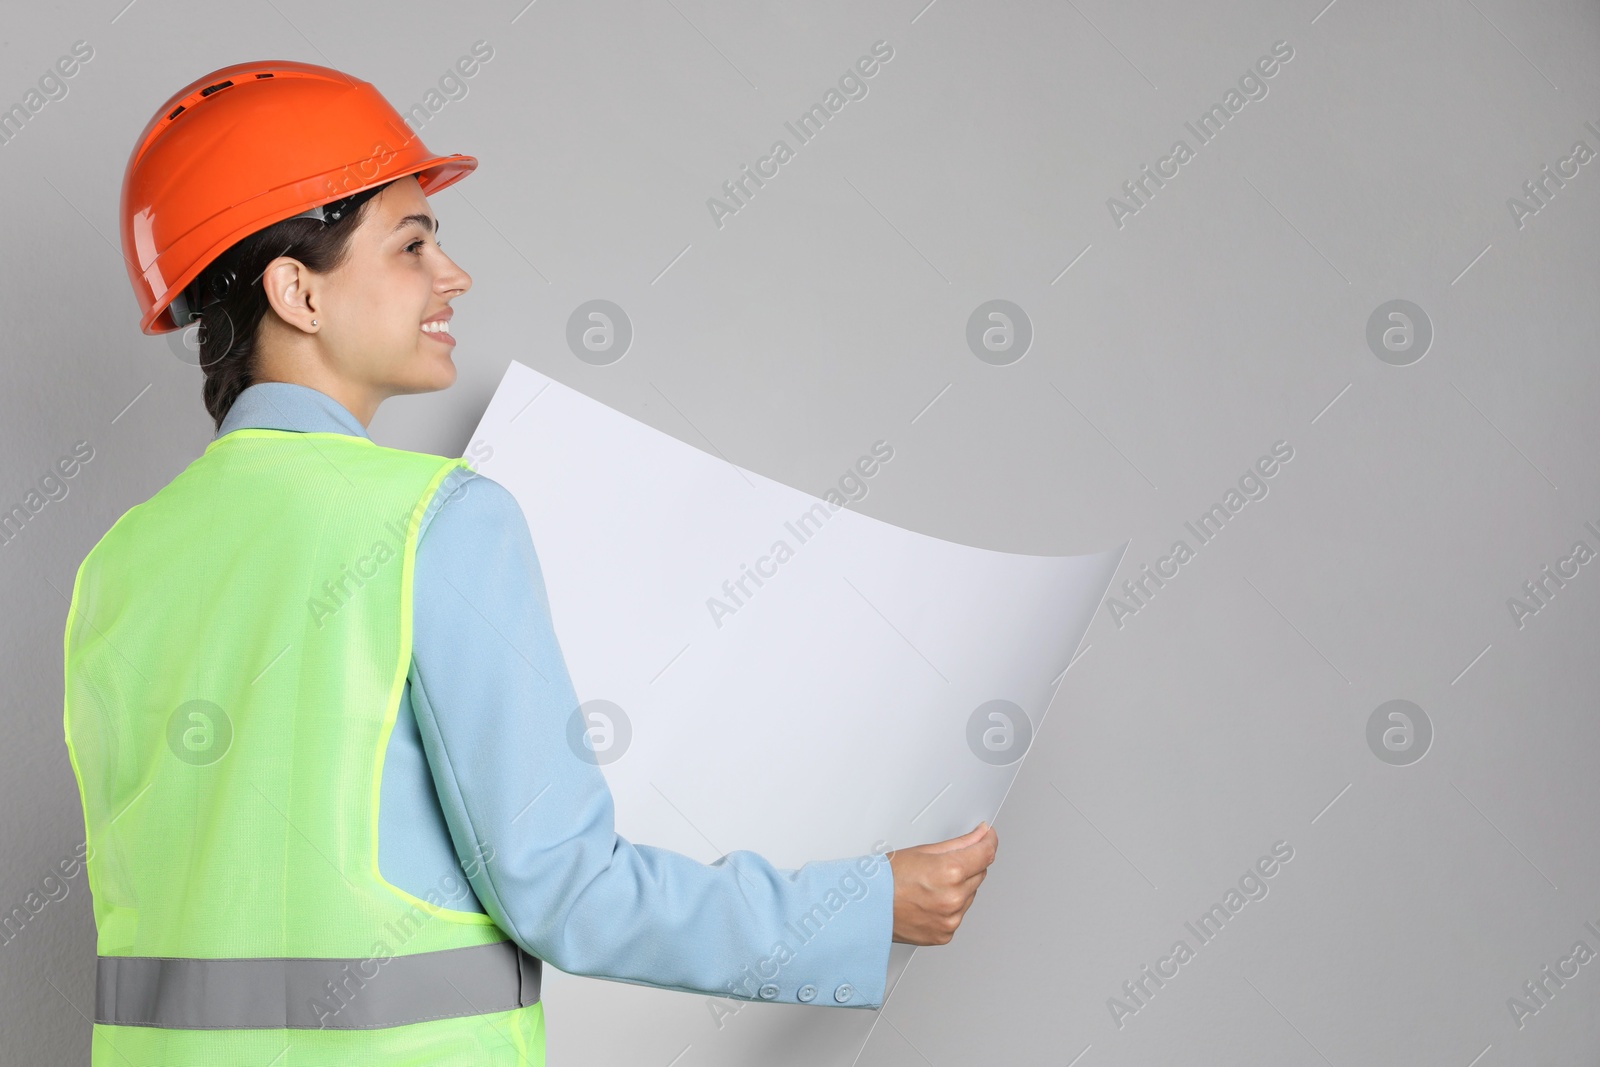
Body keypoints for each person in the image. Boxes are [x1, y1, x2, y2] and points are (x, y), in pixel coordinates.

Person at [62, 60, 998, 1067]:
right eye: (412, 242)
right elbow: (570, 893)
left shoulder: (116, 566)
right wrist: (857, 909)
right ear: (297, 290)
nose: (451, 275)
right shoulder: (435, 521)